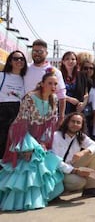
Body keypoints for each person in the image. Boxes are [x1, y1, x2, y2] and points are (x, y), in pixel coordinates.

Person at [0, 72, 64, 210]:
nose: (53, 86)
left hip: (38, 136)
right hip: (21, 135)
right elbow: (21, 123)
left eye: (55, 83)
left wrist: (43, 142)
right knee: (25, 167)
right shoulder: (29, 97)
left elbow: (50, 125)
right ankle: (18, 201)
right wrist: (26, 146)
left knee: (40, 164)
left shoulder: (54, 99)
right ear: (42, 84)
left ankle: (40, 198)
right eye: (50, 83)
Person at [52, 112, 95, 197]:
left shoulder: (80, 136)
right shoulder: (56, 136)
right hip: (58, 171)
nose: (75, 124)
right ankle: (58, 191)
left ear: (81, 126)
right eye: (73, 121)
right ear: (67, 122)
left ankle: (91, 189)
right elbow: (55, 161)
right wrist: (76, 171)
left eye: (78, 122)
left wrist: (83, 152)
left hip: (71, 166)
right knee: (80, 182)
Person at [24, 39, 66, 125]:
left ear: (46, 53)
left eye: (40, 51)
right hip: (26, 115)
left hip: (47, 116)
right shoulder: (25, 69)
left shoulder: (54, 71)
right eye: (34, 51)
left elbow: (62, 96)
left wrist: (61, 118)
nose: (37, 54)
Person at [0, 50, 27, 158]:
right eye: (16, 59)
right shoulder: (2, 75)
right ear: (10, 61)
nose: (19, 61)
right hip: (3, 110)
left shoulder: (25, 78)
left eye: (22, 59)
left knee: (13, 141)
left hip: (18, 111)